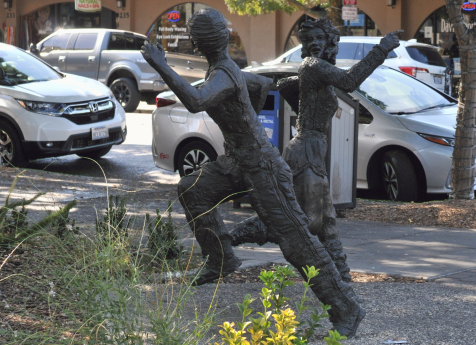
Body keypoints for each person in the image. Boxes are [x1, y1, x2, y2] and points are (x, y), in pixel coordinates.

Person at [141, 8, 365, 337]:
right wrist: (245, 126)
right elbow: (259, 84)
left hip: (263, 168)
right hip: (238, 161)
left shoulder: (223, 75)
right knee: (193, 188)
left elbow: (197, 101)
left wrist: (160, 64)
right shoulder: (226, 70)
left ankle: (346, 308)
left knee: (297, 243)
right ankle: (220, 260)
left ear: (196, 43)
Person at [231, 19, 402, 284]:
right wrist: (381, 49)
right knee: (306, 221)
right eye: (308, 40)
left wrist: (307, 112)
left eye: (320, 39)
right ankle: (233, 236)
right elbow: (349, 81)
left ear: (331, 42)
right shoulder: (312, 65)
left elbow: (287, 86)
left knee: (328, 224)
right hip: (305, 151)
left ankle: (342, 281)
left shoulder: (315, 72)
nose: (314, 44)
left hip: (312, 149)